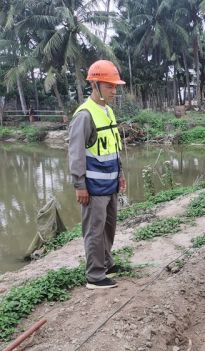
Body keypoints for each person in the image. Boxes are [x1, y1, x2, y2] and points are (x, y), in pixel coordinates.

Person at [68, 60, 127, 290]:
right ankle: (94, 275)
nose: (114, 91)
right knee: (94, 228)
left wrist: (120, 173)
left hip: (110, 181)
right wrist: (79, 185)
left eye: (115, 87)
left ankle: (106, 263)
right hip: (93, 186)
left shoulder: (108, 111)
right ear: (95, 85)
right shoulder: (84, 115)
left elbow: (114, 147)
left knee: (109, 226)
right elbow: (75, 154)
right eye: (110, 86)